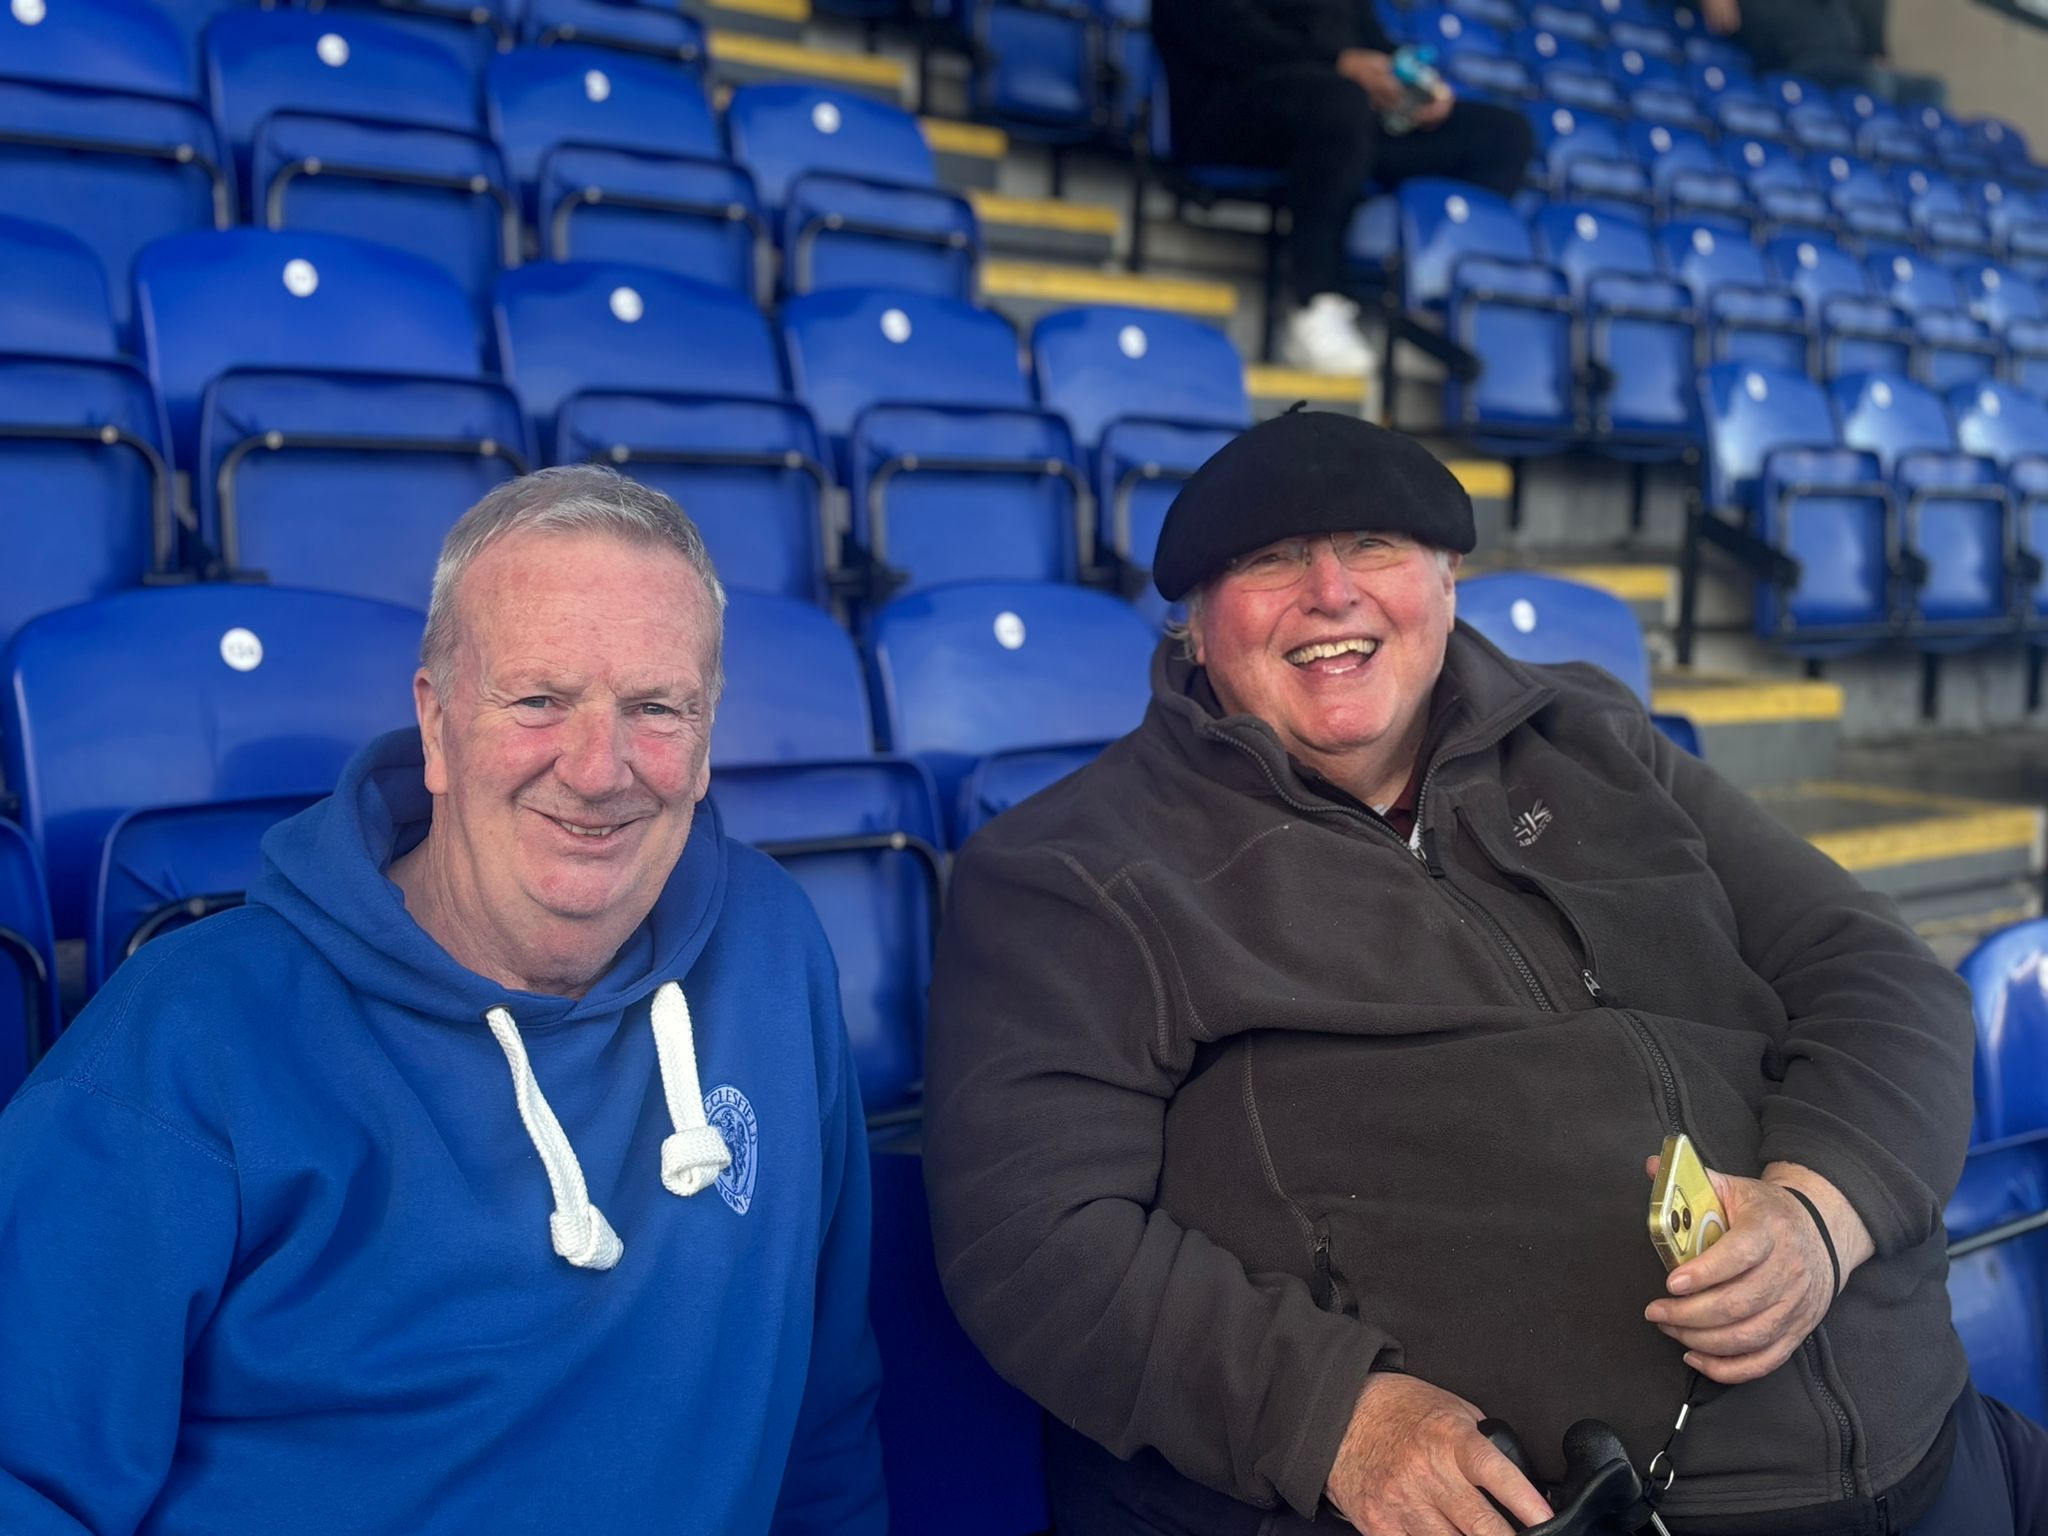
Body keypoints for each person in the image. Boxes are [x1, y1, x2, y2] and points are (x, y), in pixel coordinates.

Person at [924, 409, 2048, 1533]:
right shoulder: (1071, 868)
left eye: (1373, 545)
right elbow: (1032, 1240)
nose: (1330, 592)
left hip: (1929, 1439)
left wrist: (1818, 1216)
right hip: (1572, 1503)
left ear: (1447, 579)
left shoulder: (1593, 736)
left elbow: (1879, 973)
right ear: (1194, 624)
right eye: (1270, 559)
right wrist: (1331, 1419)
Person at [0, 466, 887, 1534]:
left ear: (706, 743)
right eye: (539, 700)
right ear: (436, 725)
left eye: (655, 708)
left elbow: (824, 1414)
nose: (598, 769)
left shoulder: (772, 946)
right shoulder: (184, 1037)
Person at [1151, 0, 1535, 377]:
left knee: (1504, 135)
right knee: (1340, 102)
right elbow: (1220, 34)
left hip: (1342, 122)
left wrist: (1412, 83)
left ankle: (1419, 286)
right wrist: (1339, 63)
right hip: (1230, 110)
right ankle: (1315, 301)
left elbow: (1369, 41)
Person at [1701, 0, 1946, 107]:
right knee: (1874, 82)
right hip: (1794, 60)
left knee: (1931, 89)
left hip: (1847, 56)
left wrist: (1877, 49)